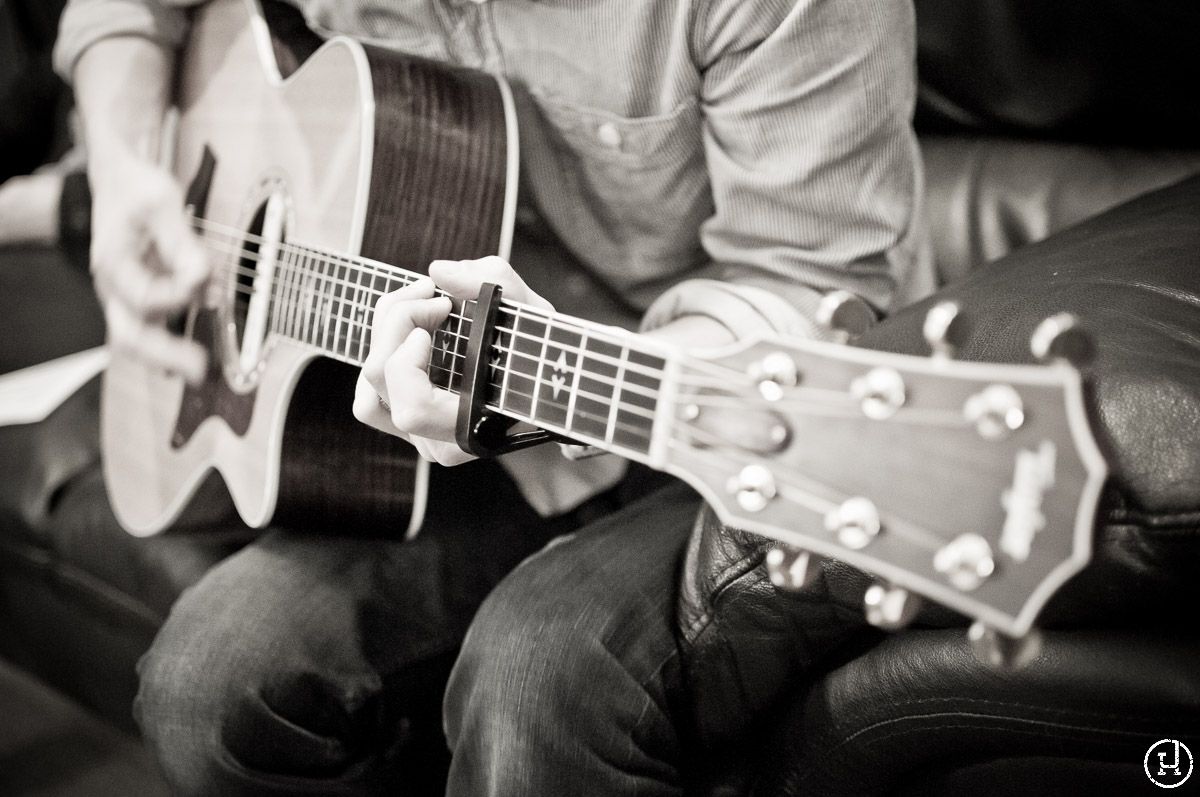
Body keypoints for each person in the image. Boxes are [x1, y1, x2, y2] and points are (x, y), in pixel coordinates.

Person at [53, 0, 934, 793]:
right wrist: (128, 172)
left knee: (529, 688)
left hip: (689, 417)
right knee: (205, 690)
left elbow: (814, 286)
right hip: (407, 424)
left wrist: (538, 394)